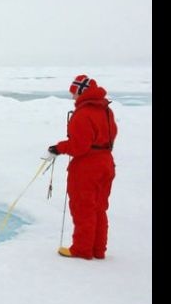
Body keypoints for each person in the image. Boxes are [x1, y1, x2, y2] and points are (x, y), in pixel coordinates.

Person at [46, 74, 118, 260]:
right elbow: (111, 135)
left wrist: (58, 148)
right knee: (99, 208)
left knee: (83, 208)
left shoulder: (83, 114)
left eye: (74, 94)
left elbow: (79, 146)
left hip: (88, 168)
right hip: (106, 163)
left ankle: (82, 249)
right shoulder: (106, 111)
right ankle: (98, 250)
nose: (73, 98)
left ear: (81, 92)